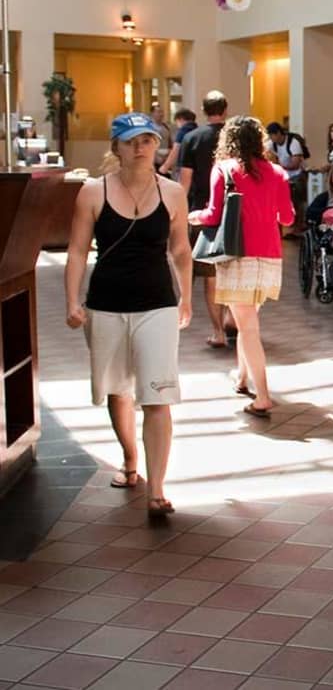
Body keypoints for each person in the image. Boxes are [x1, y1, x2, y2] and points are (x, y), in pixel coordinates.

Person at [64, 113, 193, 518]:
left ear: (157, 146)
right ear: (115, 147)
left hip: (157, 302)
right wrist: (72, 300)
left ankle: (157, 491)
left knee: (158, 395)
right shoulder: (92, 191)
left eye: (149, 140)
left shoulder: (172, 193)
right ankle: (130, 459)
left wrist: (185, 298)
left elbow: (181, 251)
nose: (141, 148)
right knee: (118, 390)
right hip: (106, 303)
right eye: (131, 140)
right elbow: (77, 251)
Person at [189, 117, 294, 417]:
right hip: (270, 257)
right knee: (247, 320)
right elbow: (287, 218)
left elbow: (212, 215)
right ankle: (243, 376)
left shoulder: (223, 170)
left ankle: (262, 396)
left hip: (238, 255)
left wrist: (193, 216)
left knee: (247, 327)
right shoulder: (277, 172)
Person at [179, 91, 230, 349]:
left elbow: (184, 182)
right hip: (234, 212)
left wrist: (180, 214)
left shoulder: (191, 138)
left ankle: (218, 331)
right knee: (232, 269)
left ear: (203, 109)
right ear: (226, 109)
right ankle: (233, 317)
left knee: (210, 276)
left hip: (202, 214)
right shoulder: (234, 137)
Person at [267, 121, 307, 235]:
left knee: (297, 201)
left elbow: (296, 163)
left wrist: (279, 167)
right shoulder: (271, 144)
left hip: (296, 175)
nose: (271, 138)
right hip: (283, 176)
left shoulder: (293, 143)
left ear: (279, 133)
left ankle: (297, 227)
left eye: (272, 135)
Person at [158, 108, 197, 180]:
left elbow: (176, 150)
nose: (177, 125)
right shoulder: (197, 130)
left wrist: (164, 167)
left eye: (177, 122)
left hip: (183, 169)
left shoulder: (183, 131)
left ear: (181, 119)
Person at [149, 105, 173, 169]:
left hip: (165, 157)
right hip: (153, 159)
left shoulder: (166, 127)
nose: (161, 114)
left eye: (162, 112)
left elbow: (170, 143)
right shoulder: (149, 127)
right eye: (158, 112)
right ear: (152, 113)